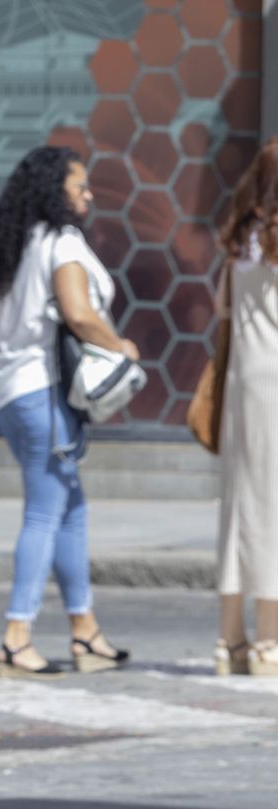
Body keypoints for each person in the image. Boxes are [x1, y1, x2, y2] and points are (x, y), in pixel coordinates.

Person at [0, 145, 136, 680]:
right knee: (44, 510)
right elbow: (80, 315)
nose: (87, 194)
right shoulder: (61, 243)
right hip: (43, 390)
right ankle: (16, 638)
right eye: (79, 186)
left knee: (70, 506)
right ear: (52, 191)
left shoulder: (5, 249)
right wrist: (123, 347)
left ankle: (85, 630)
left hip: (10, 392)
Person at [214, 139, 278, 677]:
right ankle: (270, 644)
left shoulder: (240, 240)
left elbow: (222, 309)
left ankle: (230, 639)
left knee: (237, 504)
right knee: (273, 505)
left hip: (241, 378)